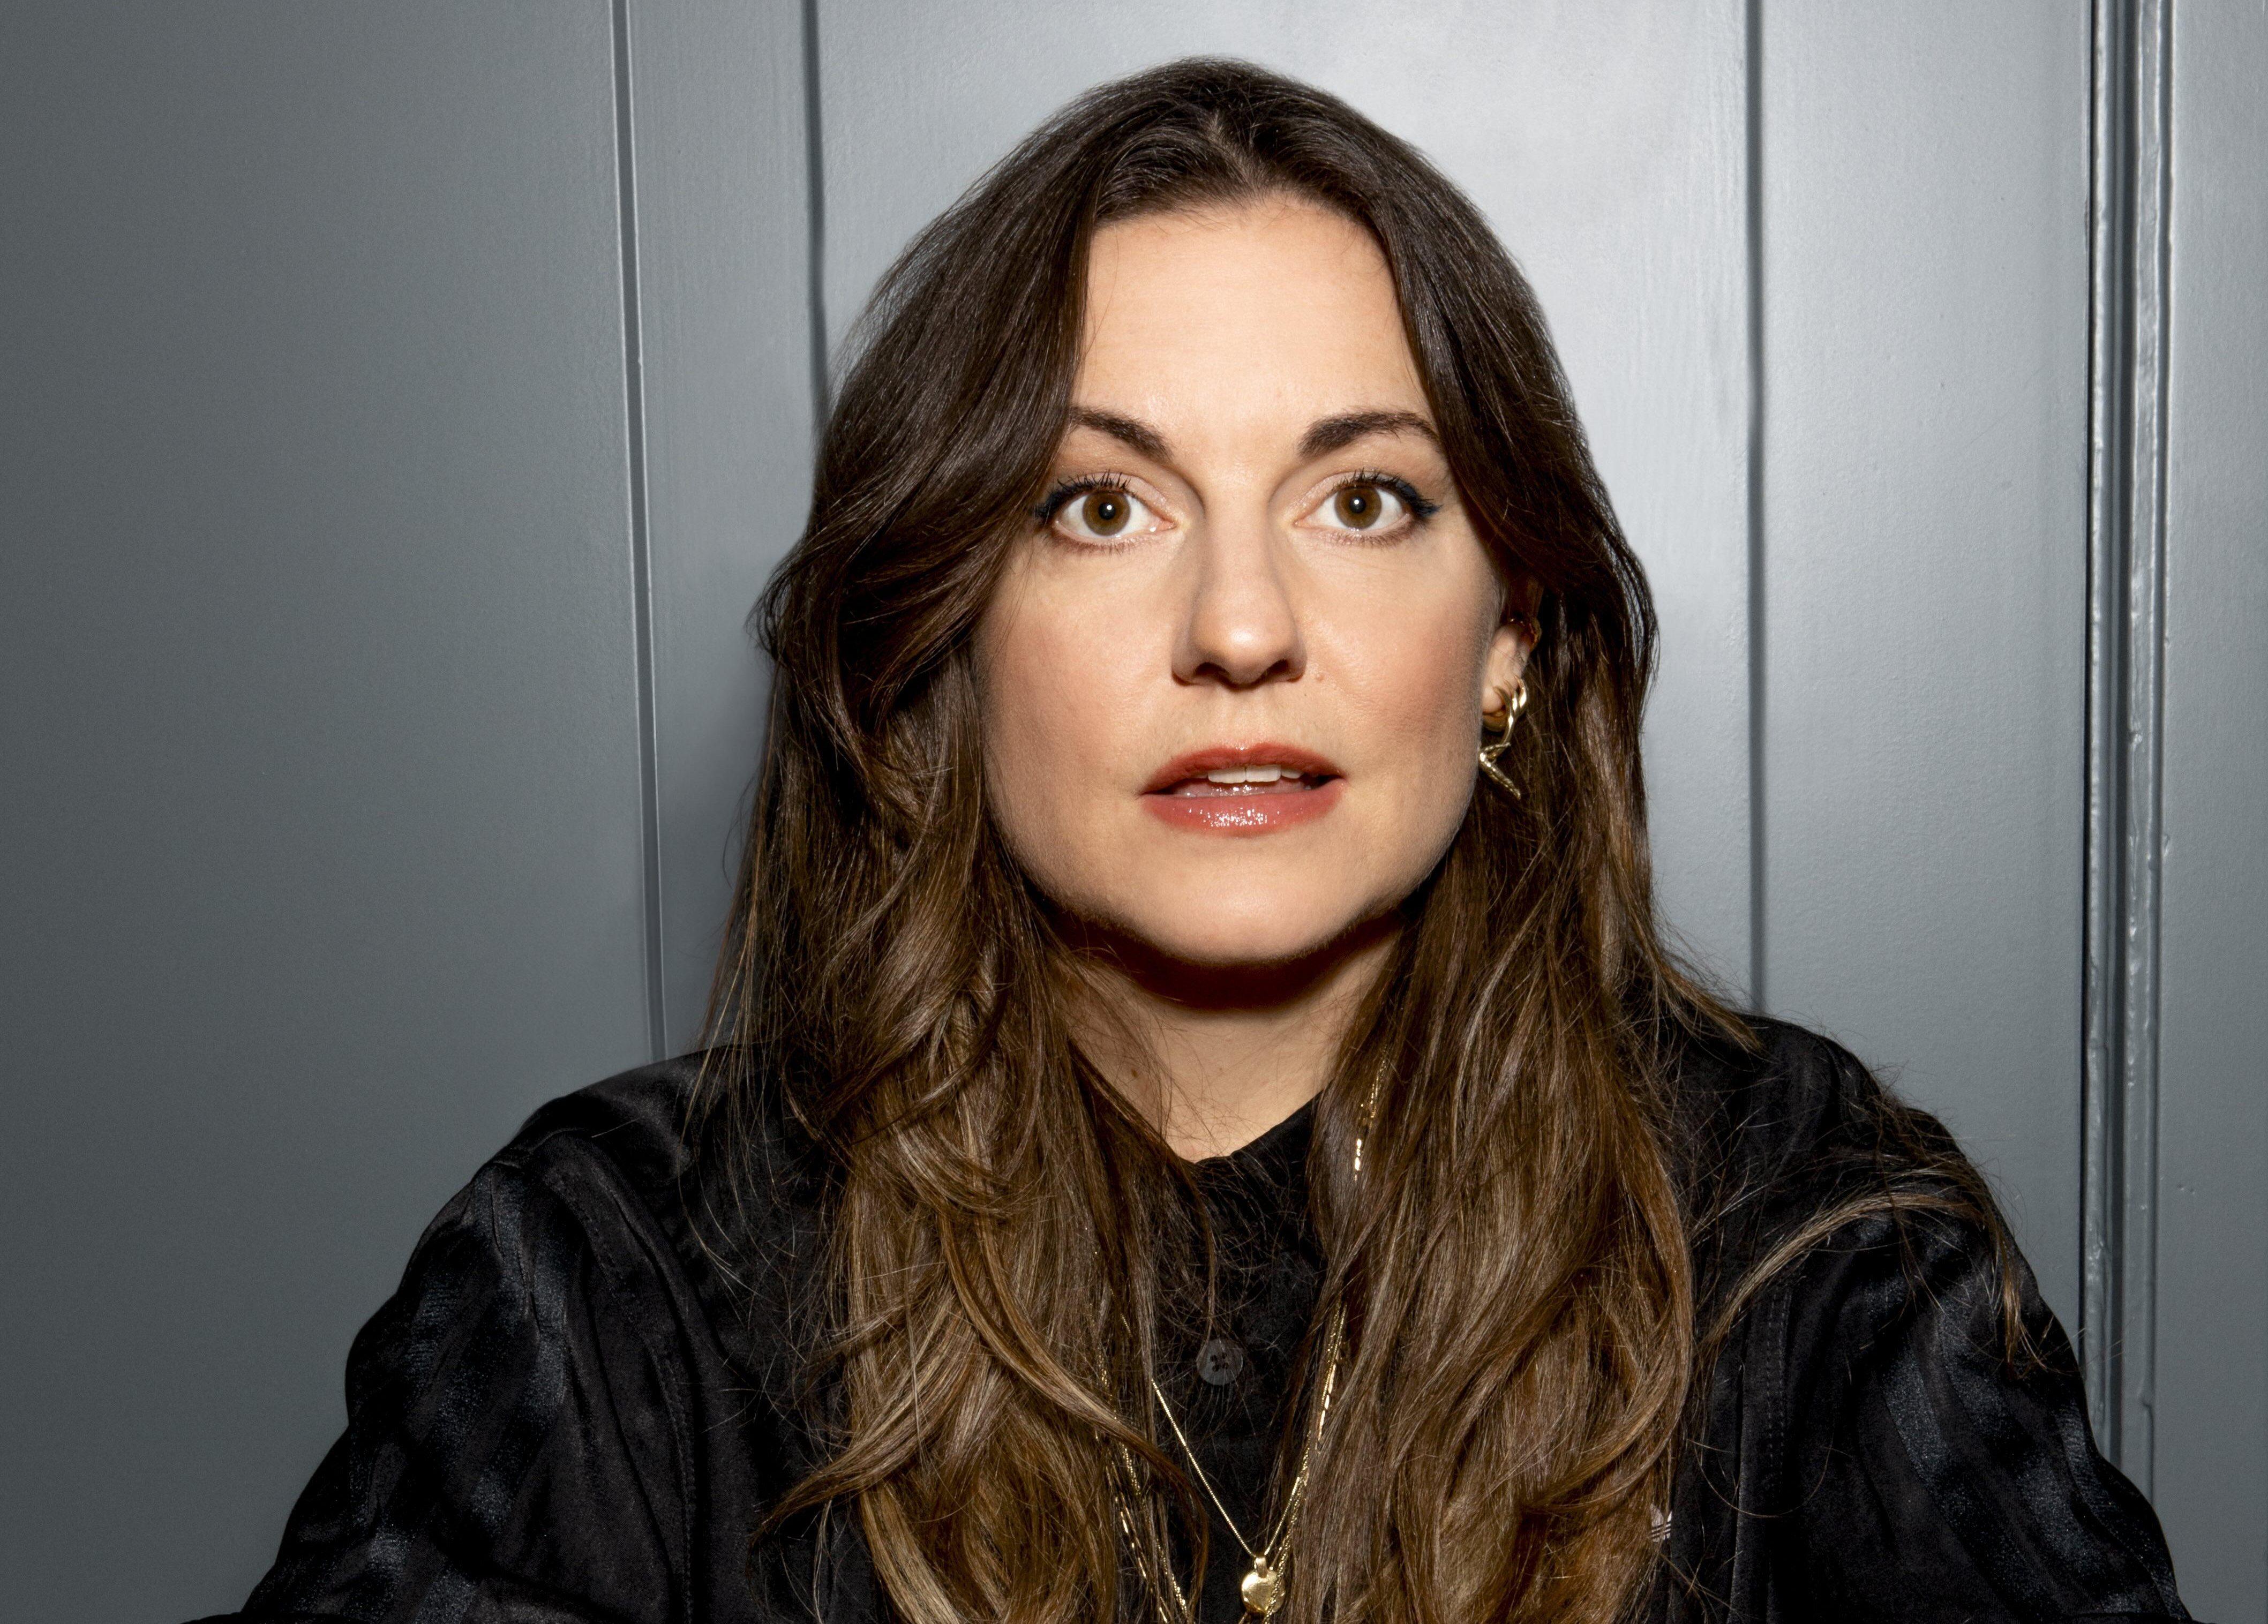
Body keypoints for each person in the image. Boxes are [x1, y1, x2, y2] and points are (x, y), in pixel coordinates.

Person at [206, 59, 2195, 1624]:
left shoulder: (1814, 1261)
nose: (1240, 628)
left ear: (1511, 634)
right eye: (1099, 506)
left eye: (1364, 500)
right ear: (944, 632)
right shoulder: (614, 1290)